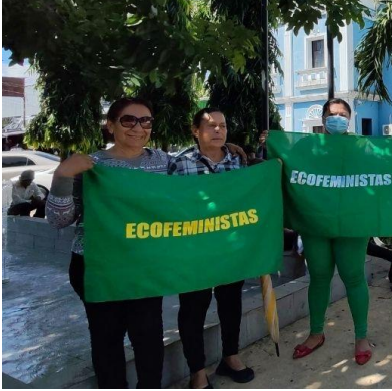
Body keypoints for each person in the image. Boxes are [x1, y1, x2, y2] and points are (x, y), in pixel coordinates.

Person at [45, 98, 248, 389]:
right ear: (111, 125)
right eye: (129, 120)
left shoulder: (164, 163)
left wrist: (229, 149)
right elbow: (58, 220)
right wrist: (62, 175)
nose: (138, 128)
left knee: (149, 341)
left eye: (146, 121)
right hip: (99, 267)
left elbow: (194, 197)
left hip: (145, 269)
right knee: (107, 343)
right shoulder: (91, 165)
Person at [168, 108, 254, 389]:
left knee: (231, 304)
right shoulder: (179, 165)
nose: (218, 130)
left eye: (223, 125)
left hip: (229, 250)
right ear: (195, 131)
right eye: (211, 126)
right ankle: (198, 372)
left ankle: (230, 357)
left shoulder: (238, 161)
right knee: (193, 310)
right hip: (193, 253)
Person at [292, 98, 374, 365]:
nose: (336, 118)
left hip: (352, 224)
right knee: (318, 277)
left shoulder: (362, 146)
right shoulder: (308, 146)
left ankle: (361, 337)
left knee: (353, 277)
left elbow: (385, 170)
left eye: (342, 114)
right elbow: (286, 166)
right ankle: (316, 334)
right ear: (323, 119)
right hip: (317, 224)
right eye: (331, 114)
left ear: (349, 119)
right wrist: (268, 143)